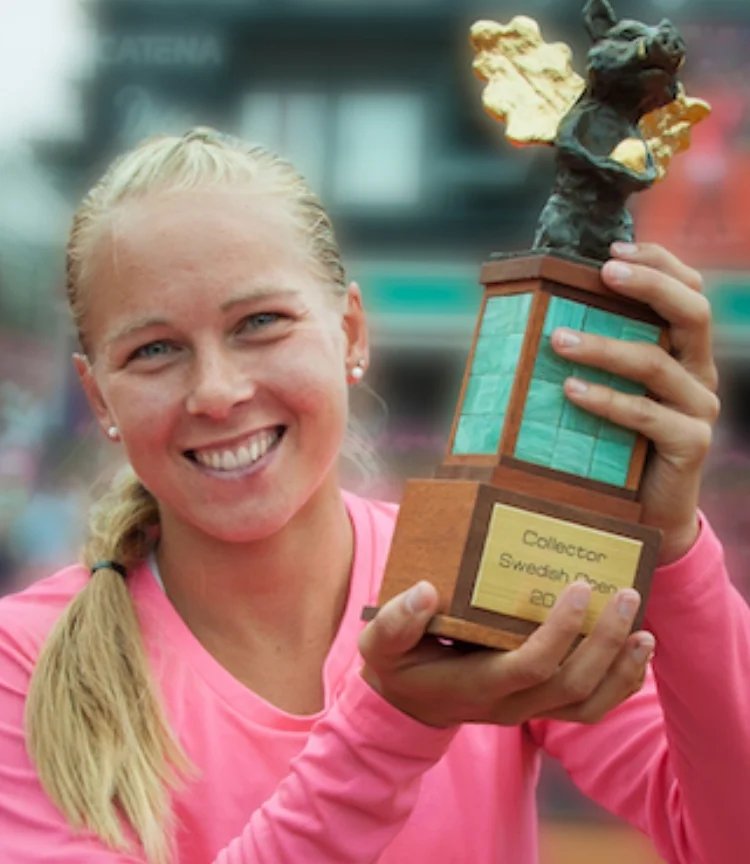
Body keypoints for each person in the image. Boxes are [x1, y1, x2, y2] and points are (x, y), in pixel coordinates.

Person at [0, 127, 746, 864]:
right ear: (98, 397)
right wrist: (394, 723)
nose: (217, 393)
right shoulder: (23, 664)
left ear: (352, 333)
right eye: (153, 349)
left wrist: (675, 545)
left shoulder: (482, 564)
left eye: (261, 323)